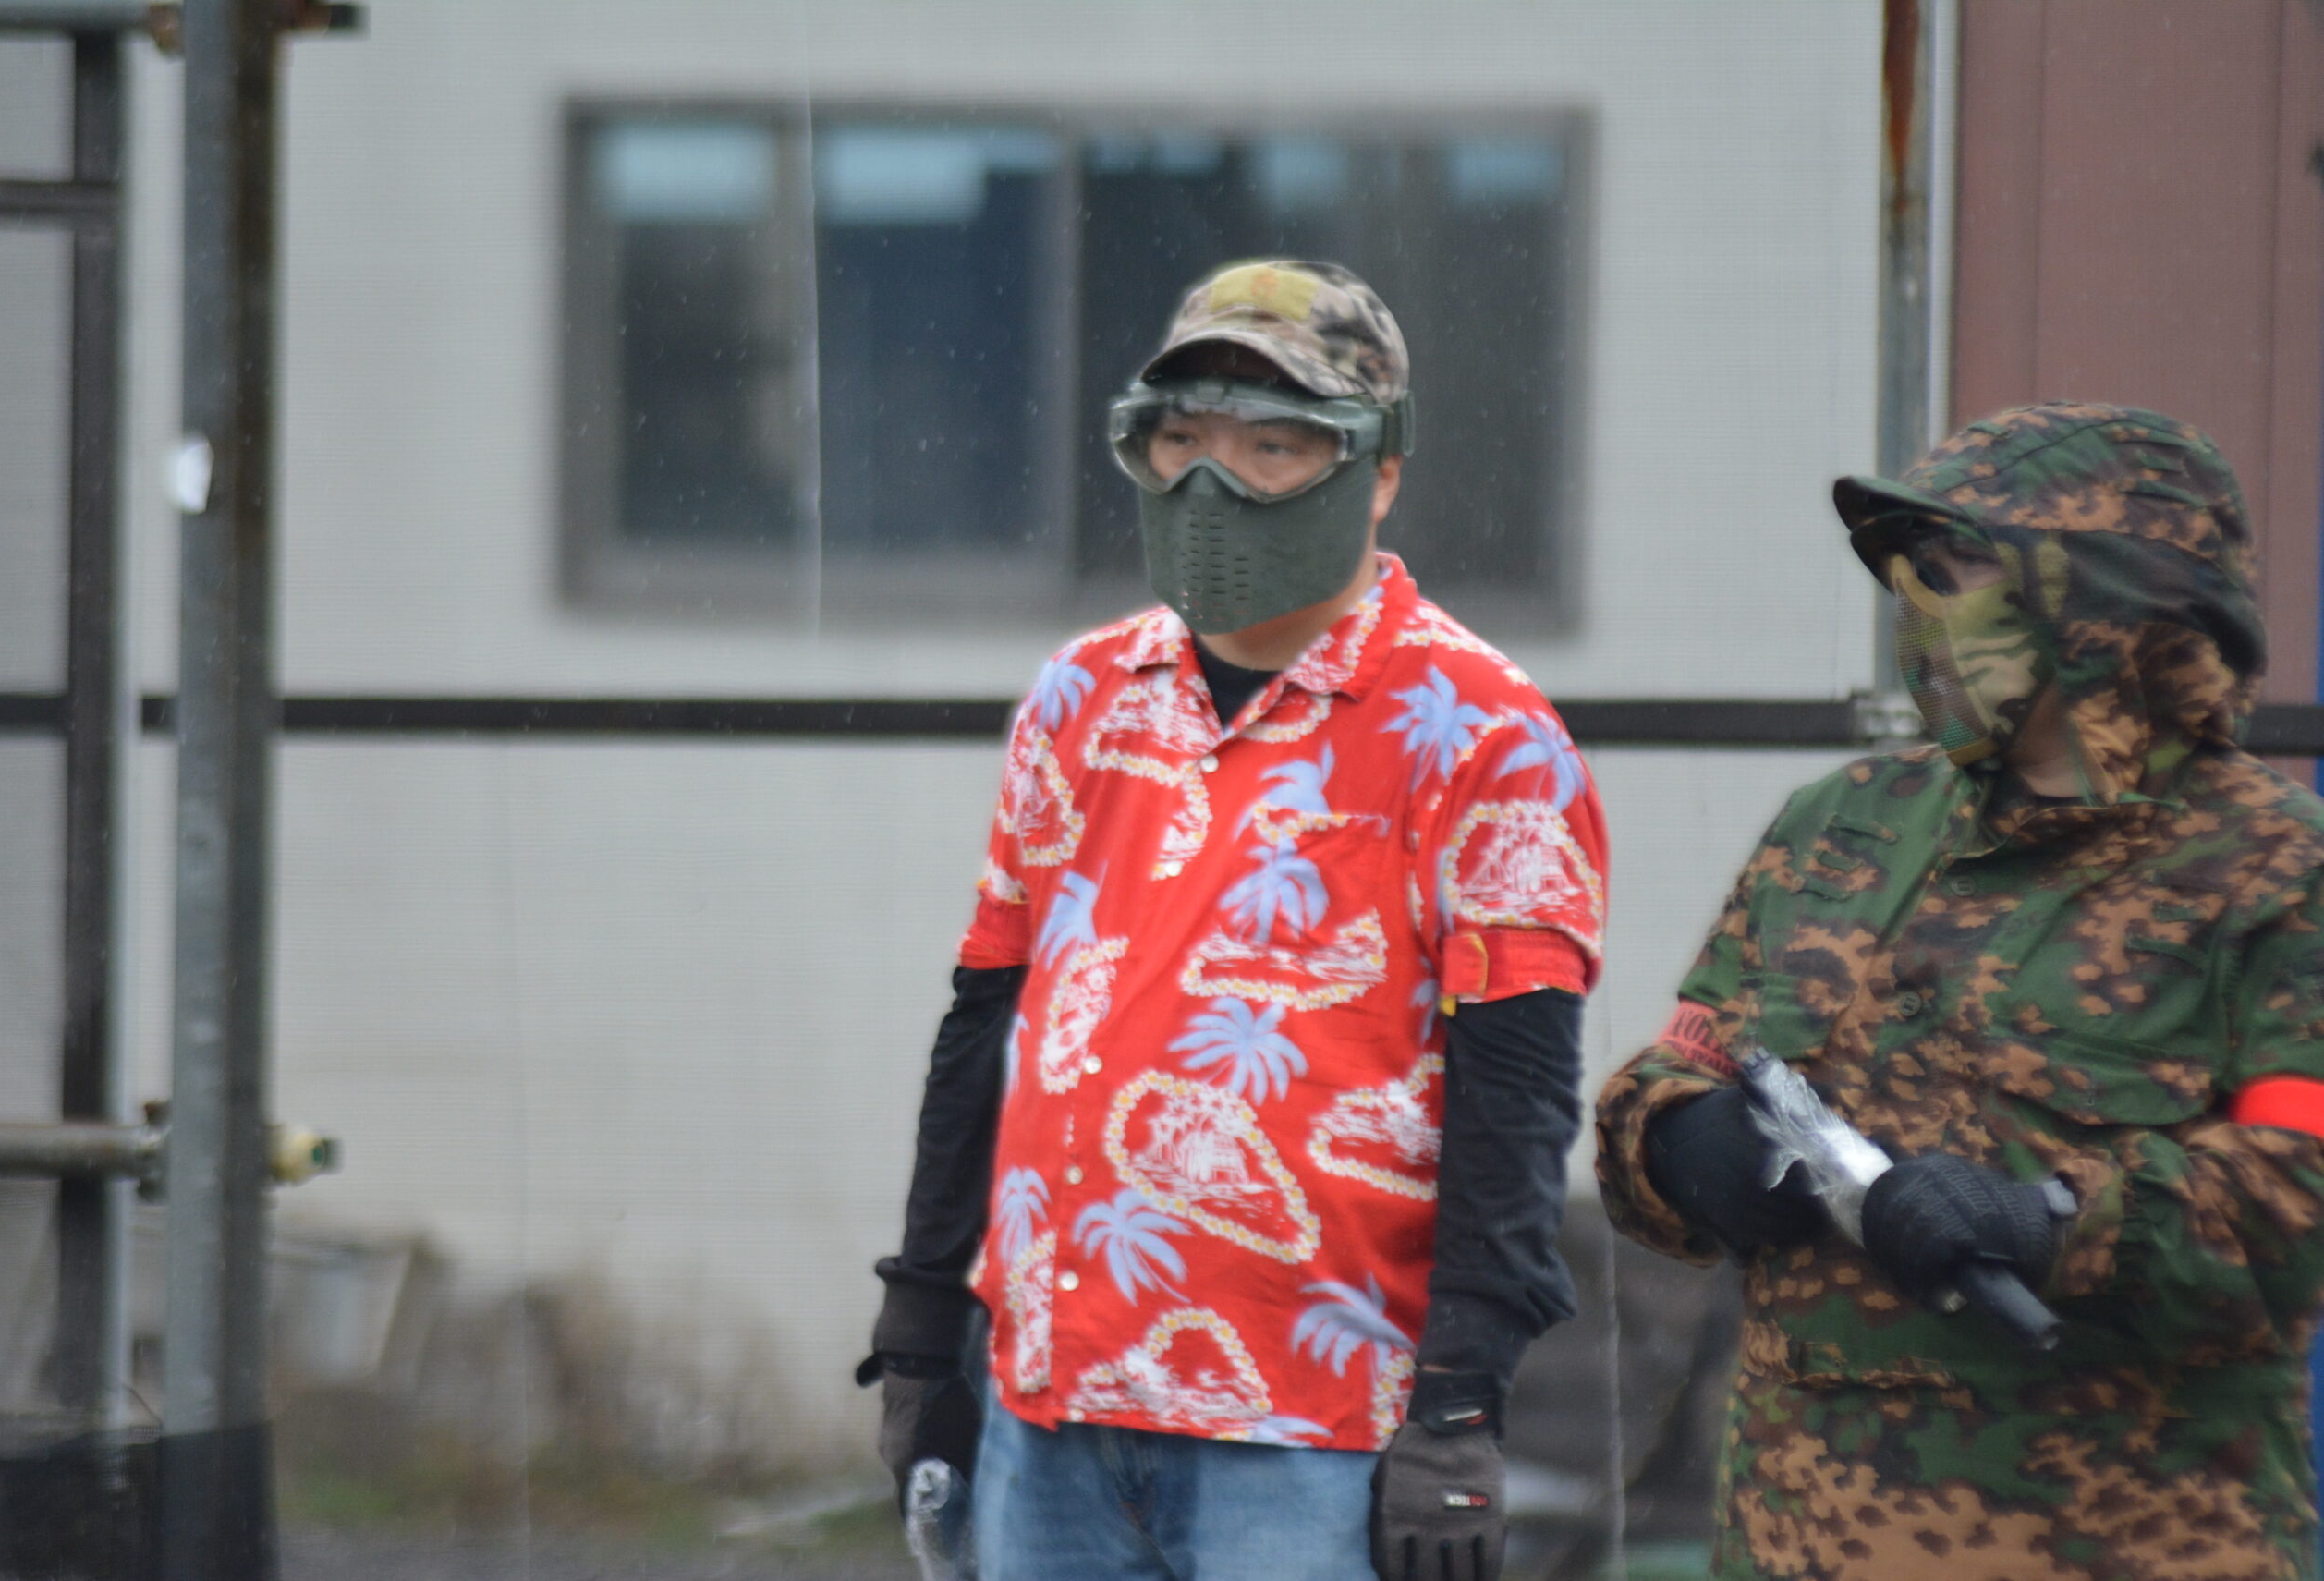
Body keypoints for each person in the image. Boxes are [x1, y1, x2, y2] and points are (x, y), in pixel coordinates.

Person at [858, 260, 1609, 1581]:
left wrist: (1459, 1403)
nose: (1214, 483)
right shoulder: (1081, 694)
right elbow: (989, 1017)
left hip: (1313, 1425)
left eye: (1274, 446)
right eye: (1183, 438)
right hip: (1053, 1397)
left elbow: (1517, 1094)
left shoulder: (1482, 731)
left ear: (1378, 469)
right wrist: (923, 1326)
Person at [1594, 402, 2324, 1581]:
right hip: (1794, 1545)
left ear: (2105, 600)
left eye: (1960, 567)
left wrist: (2044, 1221)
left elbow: (2300, 1192)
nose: (1919, 604)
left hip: (2114, 1542)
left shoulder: (2277, 867)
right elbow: (1680, 1063)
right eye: (1912, 570)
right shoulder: (1841, 827)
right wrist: (1681, 1142)